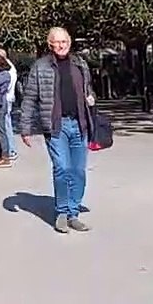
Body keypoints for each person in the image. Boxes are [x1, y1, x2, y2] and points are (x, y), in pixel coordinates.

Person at [20, 27, 96, 234]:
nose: (61, 45)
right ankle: (62, 212)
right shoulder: (40, 67)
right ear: (50, 44)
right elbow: (29, 98)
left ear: (70, 43)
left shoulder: (79, 64)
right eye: (57, 42)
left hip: (80, 124)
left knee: (78, 170)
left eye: (65, 41)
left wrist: (91, 99)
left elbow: (88, 90)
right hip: (56, 126)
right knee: (62, 168)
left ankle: (73, 213)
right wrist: (25, 128)